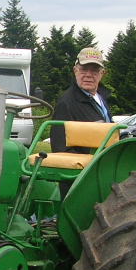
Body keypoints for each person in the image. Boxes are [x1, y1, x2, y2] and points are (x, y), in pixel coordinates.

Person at [50, 47, 112, 199]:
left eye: (95, 70)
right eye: (84, 69)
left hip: (106, 166)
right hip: (85, 178)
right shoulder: (67, 103)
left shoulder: (100, 97)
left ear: (102, 74)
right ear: (75, 70)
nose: (89, 75)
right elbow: (60, 148)